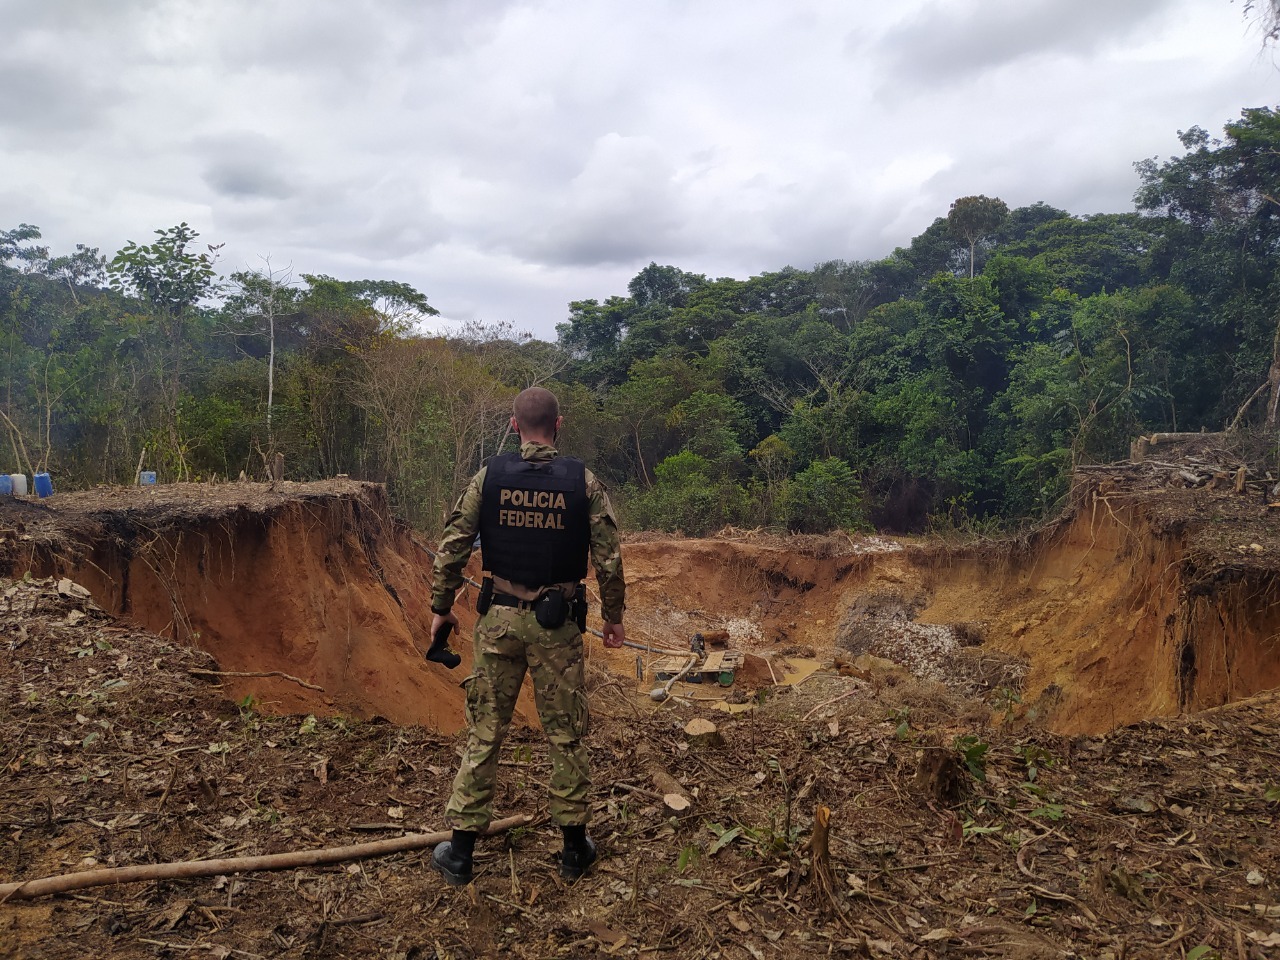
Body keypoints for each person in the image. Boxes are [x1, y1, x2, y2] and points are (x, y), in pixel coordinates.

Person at [428, 386, 626, 886]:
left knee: (486, 729)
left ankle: (462, 853)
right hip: (557, 626)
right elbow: (609, 554)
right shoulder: (583, 481)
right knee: (565, 732)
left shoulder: (488, 476)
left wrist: (440, 608)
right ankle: (573, 849)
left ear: (515, 426)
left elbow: (452, 544)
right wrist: (614, 616)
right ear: (558, 424)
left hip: (497, 621)